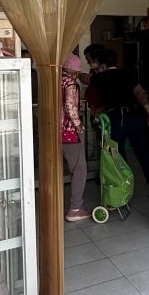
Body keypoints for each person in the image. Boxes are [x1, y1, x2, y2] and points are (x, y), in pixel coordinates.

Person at [87, 46, 149, 187]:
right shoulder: (128, 73)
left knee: (117, 153)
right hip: (135, 116)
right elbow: (141, 94)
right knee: (142, 151)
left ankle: (125, 184)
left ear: (102, 64)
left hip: (116, 118)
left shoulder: (98, 78)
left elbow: (89, 85)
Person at [60, 53, 89, 222]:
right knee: (79, 169)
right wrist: (79, 126)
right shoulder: (70, 84)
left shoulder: (56, 80)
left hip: (54, 131)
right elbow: (70, 107)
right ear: (75, 71)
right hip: (69, 132)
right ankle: (75, 209)